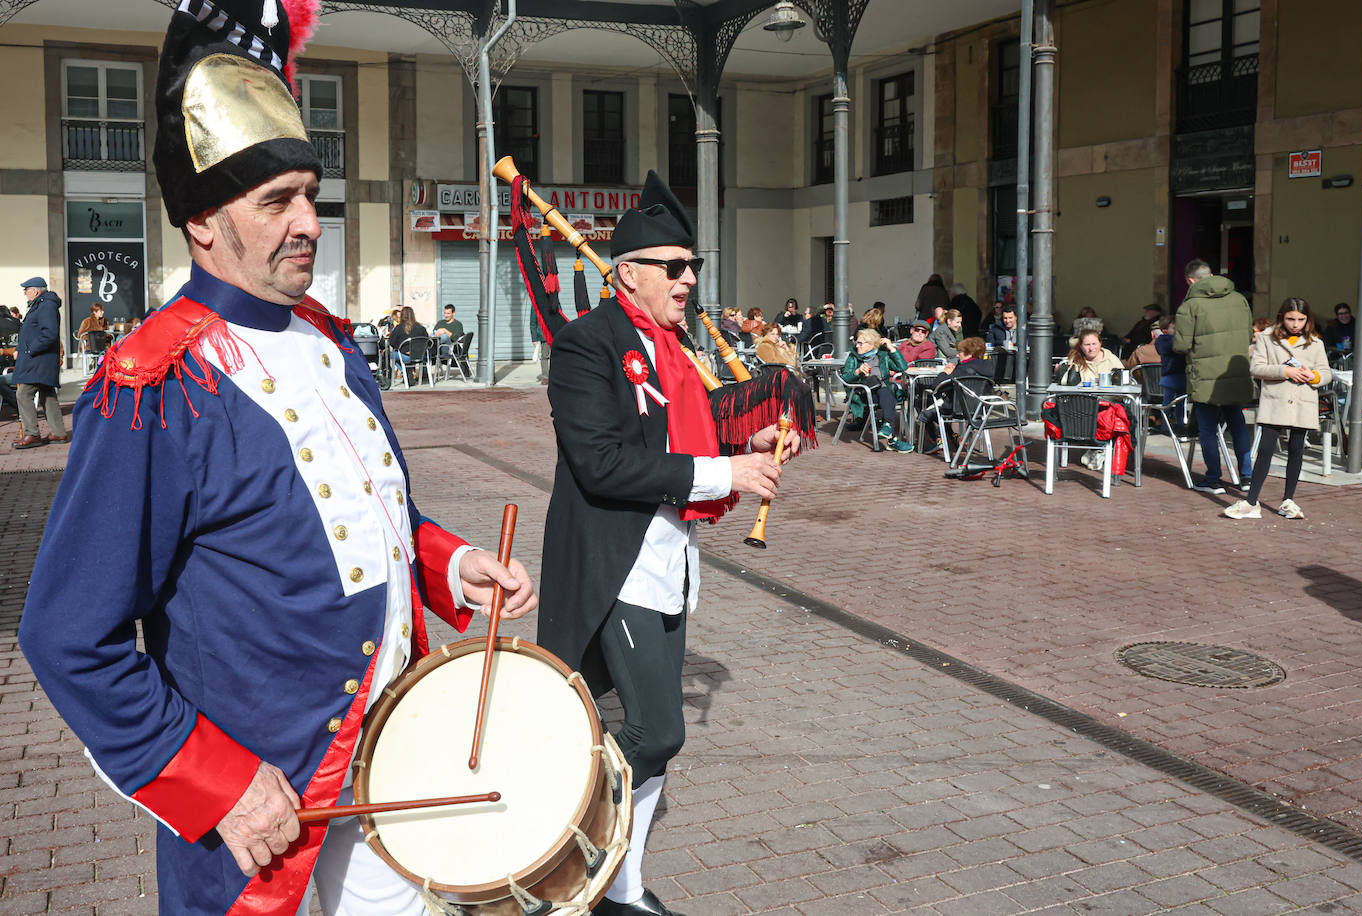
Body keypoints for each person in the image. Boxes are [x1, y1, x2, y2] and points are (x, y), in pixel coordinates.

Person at [17, 4, 537, 913]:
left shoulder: (334, 342)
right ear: (203, 223)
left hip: (390, 782)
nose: (309, 221)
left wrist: (449, 562)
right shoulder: (152, 386)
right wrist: (214, 782)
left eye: (310, 194)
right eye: (277, 202)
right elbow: (68, 635)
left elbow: (364, 518)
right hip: (265, 825)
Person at [539, 170, 798, 916]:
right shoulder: (587, 344)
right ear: (628, 274)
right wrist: (728, 469)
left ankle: (617, 884)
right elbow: (604, 461)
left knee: (643, 734)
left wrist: (746, 437)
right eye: (673, 267)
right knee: (654, 731)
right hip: (613, 563)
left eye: (693, 267)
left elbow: (681, 434)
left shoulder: (675, 347)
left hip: (668, 559)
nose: (689, 280)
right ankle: (557, 842)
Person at [1225, 298, 1330, 520]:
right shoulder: (1266, 337)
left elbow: (1326, 373)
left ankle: (1288, 500)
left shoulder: (1315, 342)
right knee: (1265, 451)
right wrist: (1285, 371)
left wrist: (1315, 376)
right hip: (1276, 401)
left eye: (1301, 319)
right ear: (1282, 317)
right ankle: (1252, 501)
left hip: (1303, 400)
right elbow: (1257, 367)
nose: (1296, 324)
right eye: (1291, 318)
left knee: (1296, 449)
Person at [1173, 257, 1254, 495]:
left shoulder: (1190, 305)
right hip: (1235, 371)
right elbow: (1248, 333)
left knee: (1207, 429)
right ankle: (1247, 476)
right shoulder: (1239, 299)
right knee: (1238, 424)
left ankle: (1213, 478)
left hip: (1205, 374)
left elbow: (1181, 345)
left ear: (1191, 280)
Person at [12, 277, 67, 448]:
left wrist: (29, 350)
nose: (24, 293)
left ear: (35, 291)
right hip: (40, 359)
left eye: (26, 289)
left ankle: (32, 434)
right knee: (48, 395)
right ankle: (58, 434)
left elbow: (49, 333)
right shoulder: (41, 305)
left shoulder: (46, 305)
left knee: (23, 394)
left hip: (39, 360)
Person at [915, 336, 995, 453]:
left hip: (958, 408)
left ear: (969, 354)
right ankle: (953, 436)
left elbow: (937, 386)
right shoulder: (988, 367)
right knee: (935, 407)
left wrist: (945, 373)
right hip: (981, 409)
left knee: (922, 402)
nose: (957, 355)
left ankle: (937, 440)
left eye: (960, 352)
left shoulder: (963, 368)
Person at [841, 328, 913, 452]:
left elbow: (902, 367)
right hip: (864, 393)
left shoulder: (882, 356)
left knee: (885, 390)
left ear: (871, 344)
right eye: (857, 342)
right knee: (887, 391)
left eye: (861, 343)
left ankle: (889, 433)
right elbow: (845, 378)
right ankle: (890, 432)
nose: (857, 345)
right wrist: (857, 372)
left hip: (882, 393)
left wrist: (892, 349)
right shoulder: (853, 357)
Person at [1056, 330, 1125, 384]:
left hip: (1107, 399)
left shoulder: (1111, 359)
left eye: (1094, 344)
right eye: (1087, 344)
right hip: (1081, 399)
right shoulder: (1075, 359)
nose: (1091, 348)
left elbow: (1123, 382)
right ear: (1081, 346)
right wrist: (1060, 371)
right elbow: (1065, 382)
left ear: (1100, 344)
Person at [388, 305, 429, 386]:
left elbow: (392, 342)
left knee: (390, 354)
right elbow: (427, 341)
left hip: (406, 356)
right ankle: (408, 373)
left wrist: (401, 349)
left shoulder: (399, 328)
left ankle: (405, 373)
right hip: (420, 357)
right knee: (400, 355)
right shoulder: (421, 328)